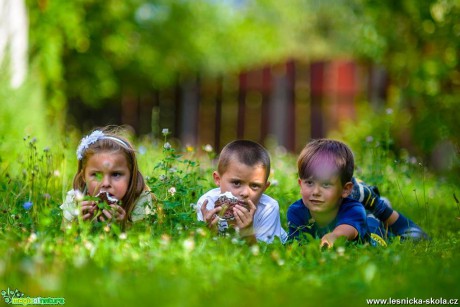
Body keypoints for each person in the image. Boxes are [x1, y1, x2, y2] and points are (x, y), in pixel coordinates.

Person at [287, 139, 428, 248]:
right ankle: (363, 194)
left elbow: (348, 229)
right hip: (351, 199)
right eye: (309, 183)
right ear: (300, 184)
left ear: (345, 189)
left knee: (409, 236)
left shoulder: (353, 209)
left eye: (325, 184)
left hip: (372, 231)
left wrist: (334, 237)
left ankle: (373, 200)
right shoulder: (296, 211)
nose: (316, 192)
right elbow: (296, 243)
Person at [60, 127, 155, 231]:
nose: (105, 183)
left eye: (116, 174)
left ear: (131, 175)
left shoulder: (140, 199)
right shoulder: (75, 199)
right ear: (84, 176)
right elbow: (63, 239)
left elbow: (144, 240)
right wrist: (77, 225)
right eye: (96, 175)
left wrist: (122, 226)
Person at [197, 140, 287, 244]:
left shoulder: (268, 208)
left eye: (254, 185)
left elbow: (264, 255)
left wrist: (248, 233)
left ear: (264, 188)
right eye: (236, 183)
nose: (245, 193)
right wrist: (208, 232)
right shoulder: (207, 204)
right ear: (218, 179)